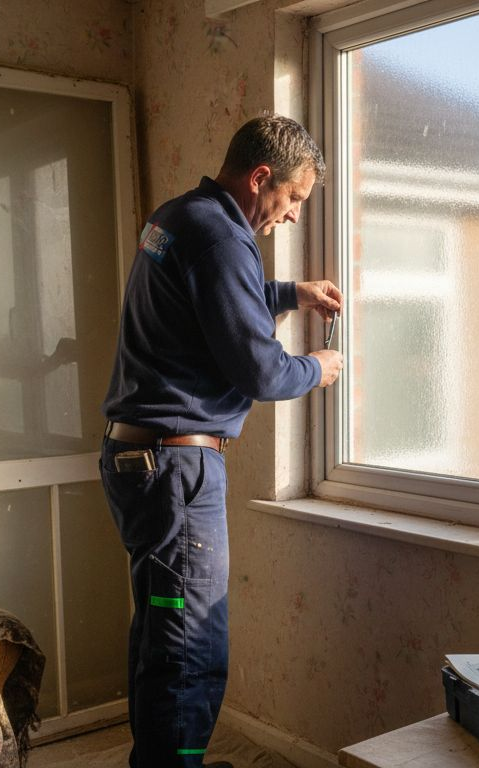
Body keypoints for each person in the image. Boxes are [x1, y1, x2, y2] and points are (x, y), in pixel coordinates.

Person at [99, 114, 342, 768]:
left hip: (136, 456)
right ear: (260, 176)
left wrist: (290, 293)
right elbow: (260, 370)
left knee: (160, 631)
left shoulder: (177, 217)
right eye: (292, 198)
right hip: (177, 467)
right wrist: (317, 369)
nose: (291, 216)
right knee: (190, 646)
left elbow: (212, 299)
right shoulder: (224, 238)